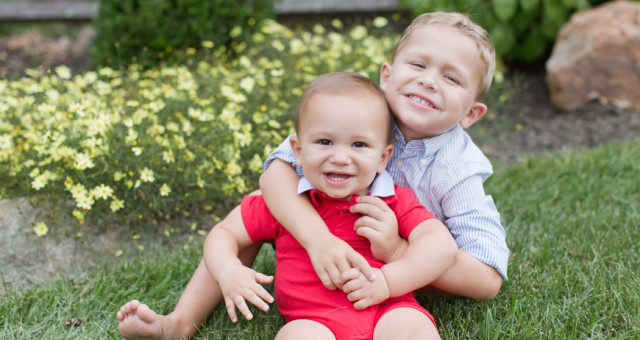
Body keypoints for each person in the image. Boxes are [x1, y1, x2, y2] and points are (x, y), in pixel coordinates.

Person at [116, 11, 510, 339]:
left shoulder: (458, 170)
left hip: (404, 276)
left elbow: (486, 279)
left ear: (471, 115)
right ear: (387, 76)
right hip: (316, 275)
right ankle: (181, 322)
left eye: (451, 78)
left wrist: (396, 254)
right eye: (419, 64)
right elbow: (277, 176)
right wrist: (317, 240)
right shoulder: (352, 110)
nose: (428, 80)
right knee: (256, 218)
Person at [202, 72, 456, 339]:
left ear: (383, 158)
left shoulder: (391, 200)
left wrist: (388, 281)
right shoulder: (288, 205)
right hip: (313, 321)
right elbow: (224, 233)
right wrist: (227, 269)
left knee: (414, 330)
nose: (340, 157)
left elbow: (441, 245)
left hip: (389, 309)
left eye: (359, 144)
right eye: (324, 142)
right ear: (298, 151)